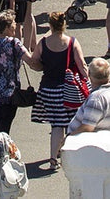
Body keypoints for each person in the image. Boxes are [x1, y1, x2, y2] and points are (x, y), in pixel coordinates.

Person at [30, 9, 89, 170]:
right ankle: (70, 154)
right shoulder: (72, 42)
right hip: (69, 90)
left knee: (56, 124)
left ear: (50, 25)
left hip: (48, 89)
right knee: (72, 123)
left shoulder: (43, 43)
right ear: (64, 24)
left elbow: (34, 63)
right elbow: (82, 66)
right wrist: (89, 83)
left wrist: (44, 66)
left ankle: (53, 158)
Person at [66, 56, 110, 134]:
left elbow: (87, 128)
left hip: (90, 140)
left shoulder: (96, 99)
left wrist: (69, 137)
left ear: (89, 74)